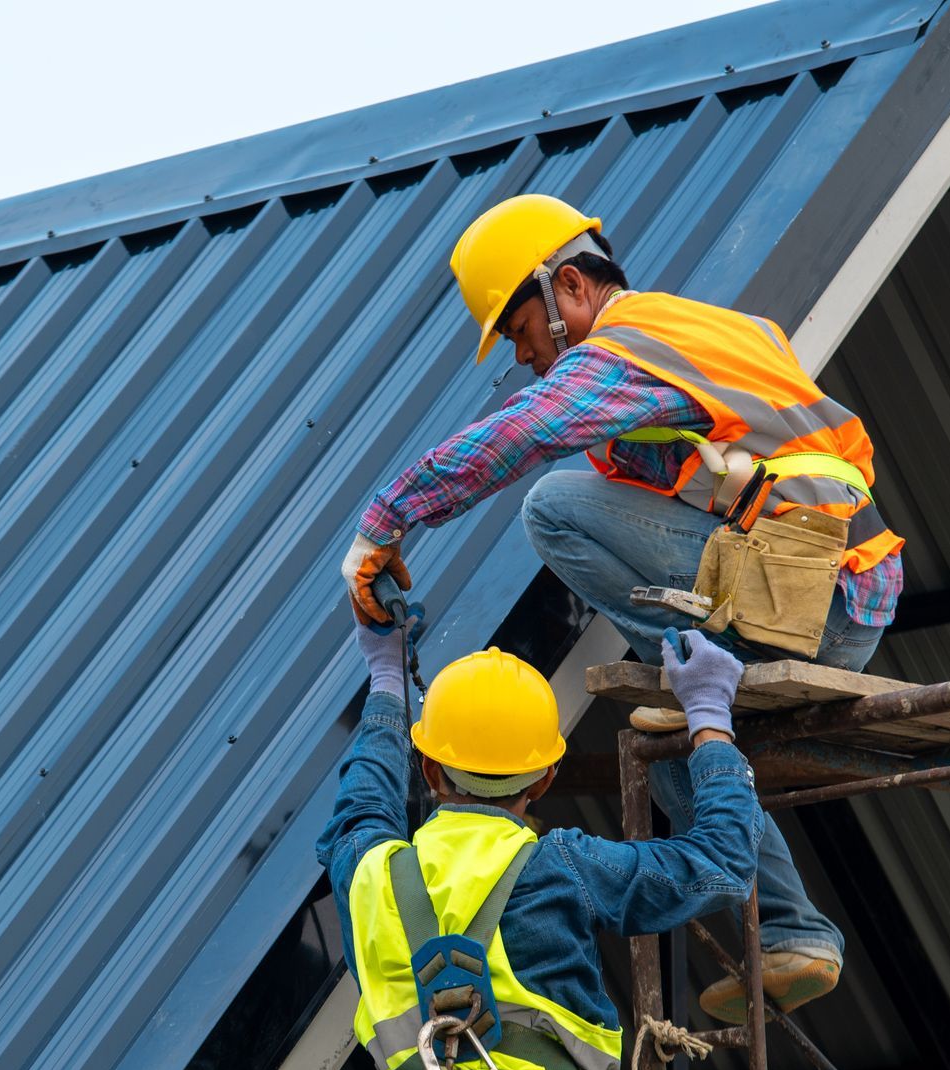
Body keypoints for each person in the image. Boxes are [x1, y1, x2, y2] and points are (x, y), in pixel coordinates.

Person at [340, 193, 905, 1021]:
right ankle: (793, 931)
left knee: (554, 506)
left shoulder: (626, 351)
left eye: (524, 333)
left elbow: (521, 435)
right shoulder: (721, 333)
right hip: (845, 601)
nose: (528, 359)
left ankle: (689, 669)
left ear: (569, 287)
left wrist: (383, 523)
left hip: (808, 589)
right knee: (673, 740)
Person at [316, 614, 761, 1070]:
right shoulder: (563, 867)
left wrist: (386, 675)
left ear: (428, 765)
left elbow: (361, 804)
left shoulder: (368, 874)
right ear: (545, 778)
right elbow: (723, 860)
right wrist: (709, 718)